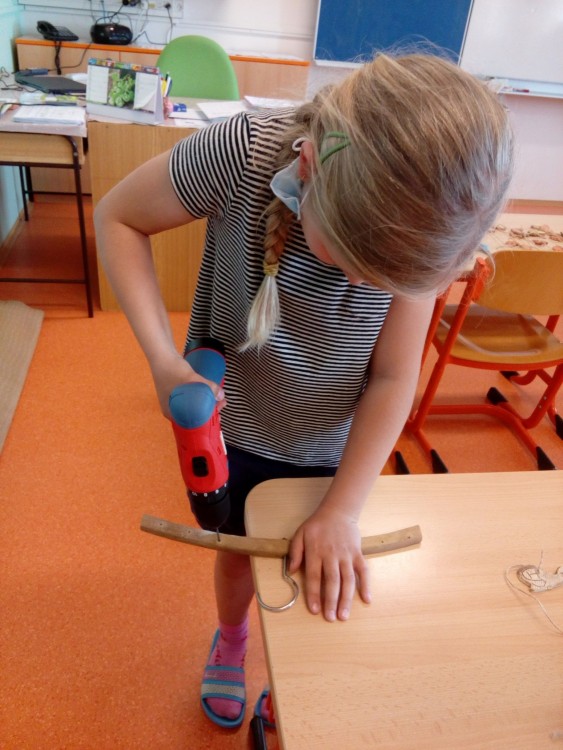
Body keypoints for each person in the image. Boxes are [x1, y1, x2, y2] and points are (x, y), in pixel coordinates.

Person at [94, 50, 514, 729]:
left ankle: (292, 672)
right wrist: (162, 362)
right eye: (350, 263)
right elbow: (118, 217)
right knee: (239, 555)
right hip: (234, 426)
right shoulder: (243, 153)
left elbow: (393, 376)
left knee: (312, 562)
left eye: (383, 282)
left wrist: (342, 510)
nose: (361, 286)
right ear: (309, 169)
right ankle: (232, 638)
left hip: (329, 444)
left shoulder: (425, 221)